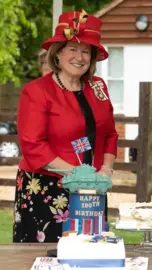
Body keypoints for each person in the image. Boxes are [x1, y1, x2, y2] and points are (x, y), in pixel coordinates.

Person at [13, 10, 118, 243]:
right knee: (47, 258)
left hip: (92, 189)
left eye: (85, 51)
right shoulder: (36, 91)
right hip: (46, 189)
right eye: (72, 48)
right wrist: (77, 174)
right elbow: (33, 145)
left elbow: (110, 134)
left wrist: (105, 171)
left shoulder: (98, 86)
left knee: (91, 252)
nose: (79, 57)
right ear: (57, 53)